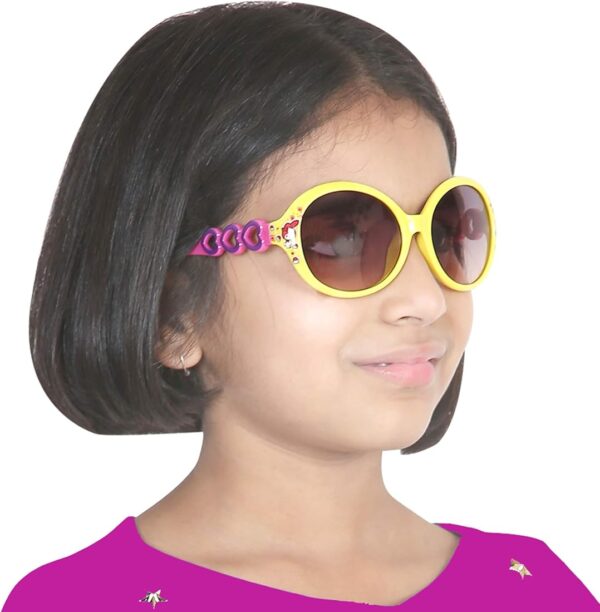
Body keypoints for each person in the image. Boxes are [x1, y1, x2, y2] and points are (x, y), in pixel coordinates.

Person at [3, 2, 598, 610]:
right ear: (174, 313)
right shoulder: (78, 601)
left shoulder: (537, 590)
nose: (425, 298)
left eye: (445, 232)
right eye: (343, 240)